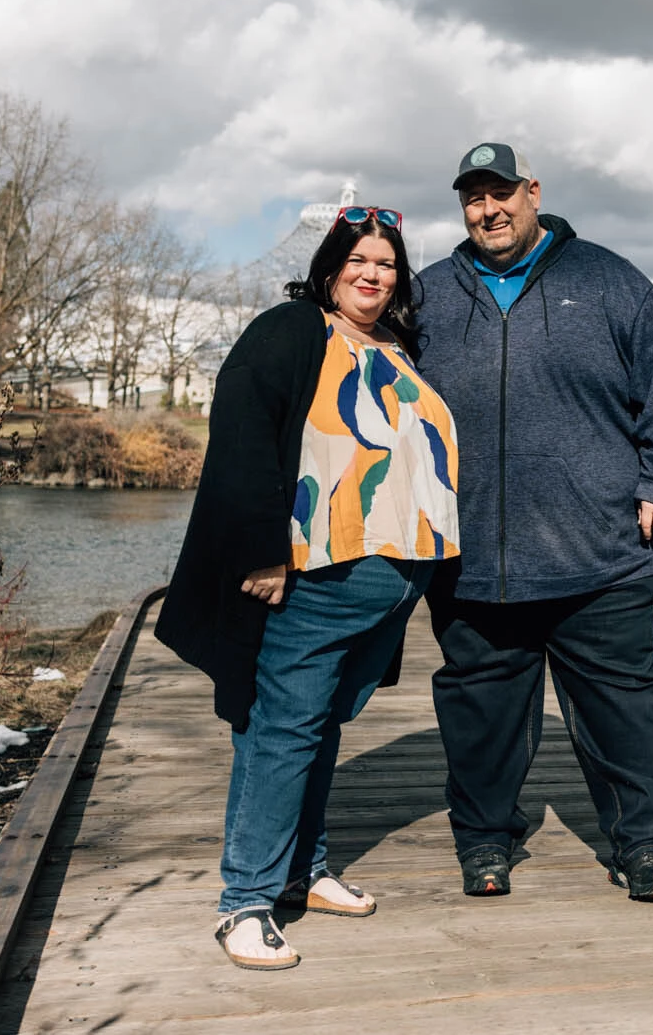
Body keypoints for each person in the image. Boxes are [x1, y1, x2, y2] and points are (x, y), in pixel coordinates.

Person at [156, 206, 461, 970]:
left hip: (392, 580)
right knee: (281, 731)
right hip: (317, 575)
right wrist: (263, 552)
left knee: (321, 728)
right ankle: (245, 902)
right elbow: (245, 434)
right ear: (329, 267)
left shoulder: (396, 345)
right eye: (359, 259)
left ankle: (301, 870)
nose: (373, 272)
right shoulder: (295, 330)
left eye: (388, 263)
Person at [414, 142, 653, 903]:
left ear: (532, 192)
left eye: (500, 192)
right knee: (481, 718)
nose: (488, 210)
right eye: (473, 198)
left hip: (601, 553)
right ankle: (484, 845)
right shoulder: (431, 294)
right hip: (473, 560)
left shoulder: (607, 280)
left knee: (623, 714)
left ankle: (641, 848)